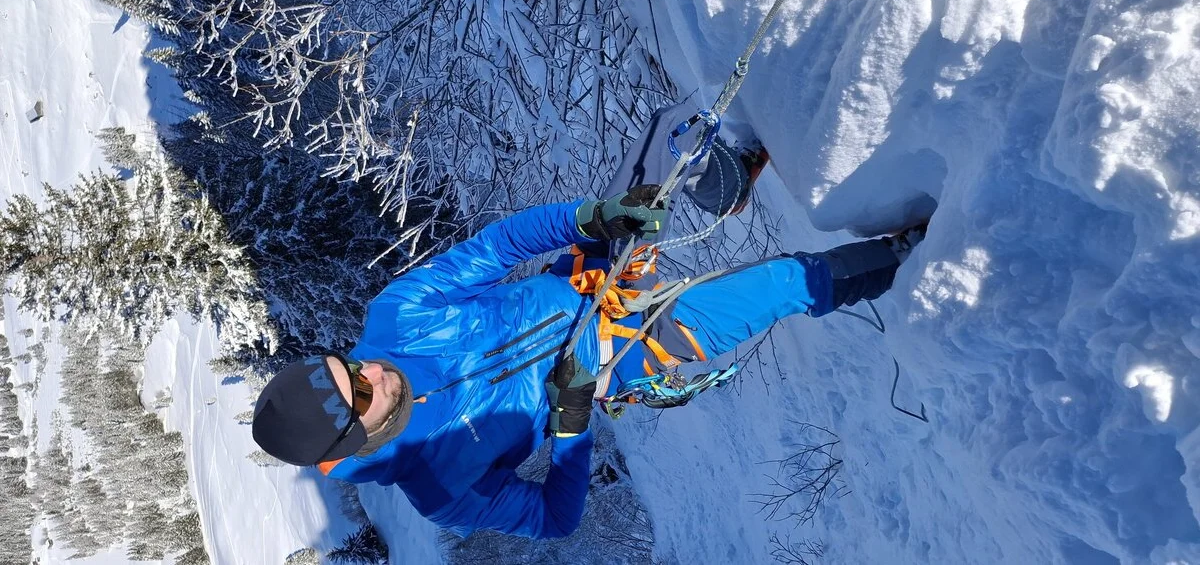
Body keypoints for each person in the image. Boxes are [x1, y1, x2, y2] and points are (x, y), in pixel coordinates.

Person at [250, 102, 926, 539]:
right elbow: (555, 518)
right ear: (351, 439)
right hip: (626, 352)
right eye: (359, 393)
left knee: (676, 129)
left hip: (591, 271)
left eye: (347, 364)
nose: (370, 370)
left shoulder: (394, 319)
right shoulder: (439, 489)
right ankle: (909, 257)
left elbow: (498, 248)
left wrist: (590, 219)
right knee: (785, 285)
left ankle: (736, 169)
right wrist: (573, 421)